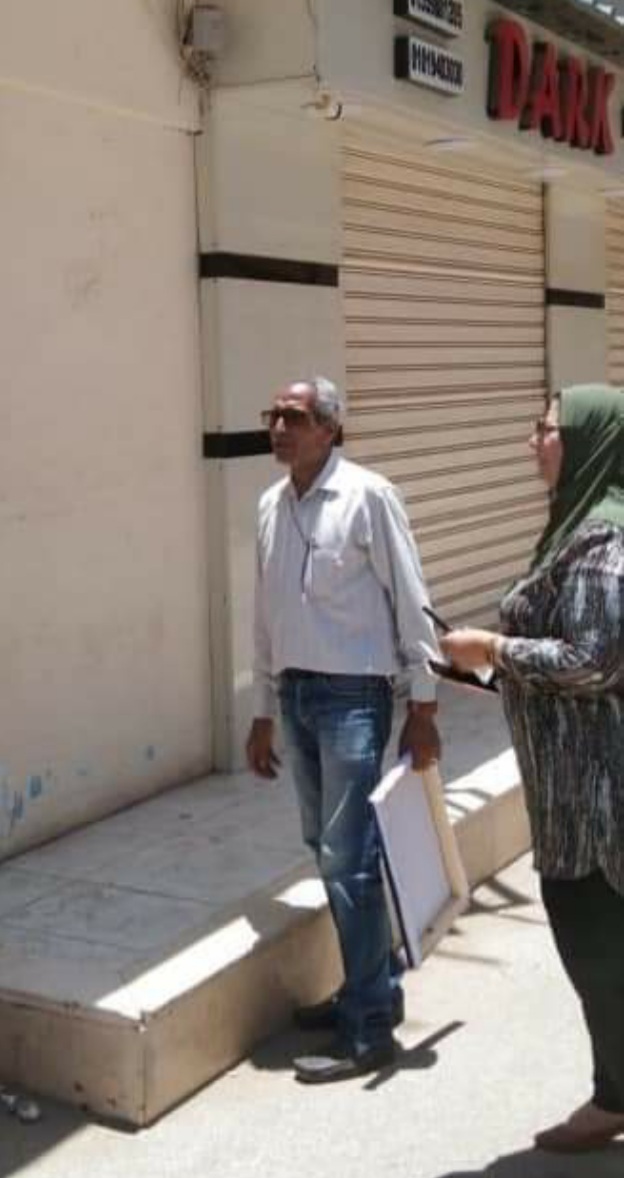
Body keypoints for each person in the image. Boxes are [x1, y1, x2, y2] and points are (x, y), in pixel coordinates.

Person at [440, 385, 624, 1178]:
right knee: (600, 972)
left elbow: (594, 658)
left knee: (612, 970)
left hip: (603, 808)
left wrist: (493, 647)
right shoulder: (575, 526)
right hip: (572, 797)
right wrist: (489, 671)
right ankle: (612, 1100)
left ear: (586, 438)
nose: (532, 442)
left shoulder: (604, 543)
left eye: (545, 428)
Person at [246, 377, 441, 1084]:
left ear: (330, 428)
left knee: (348, 859)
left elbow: (411, 600)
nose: (279, 428)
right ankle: (371, 985)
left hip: (354, 697)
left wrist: (424, 707)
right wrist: (263, 709)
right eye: (273, 416)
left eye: (294, 417)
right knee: (326, 849)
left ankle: (368, 1031)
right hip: (296, 696)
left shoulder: (368, 496)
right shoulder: (270, 505)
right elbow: (265, 613)